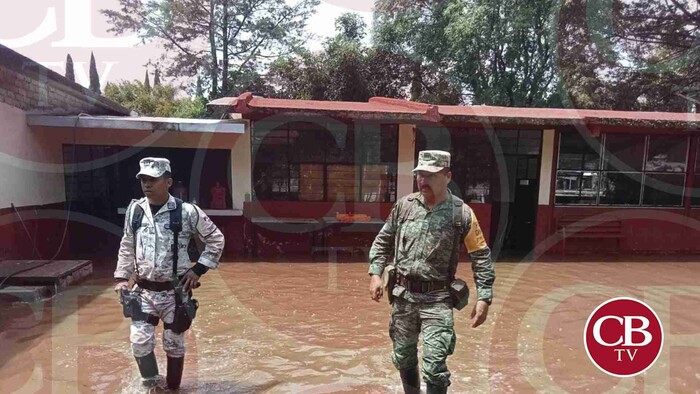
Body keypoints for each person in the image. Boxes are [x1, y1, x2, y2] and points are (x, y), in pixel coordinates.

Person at [368, 150, 495, 394]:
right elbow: (383, 240)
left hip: (438, 300)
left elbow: (480, 257)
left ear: (448, 176)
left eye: (430, 175)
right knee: (403, 356)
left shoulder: (462, 214)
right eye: (420, 174)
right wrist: (376, 273)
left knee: (435, 365)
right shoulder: (404, 207)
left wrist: (484, 297)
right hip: (403, 297)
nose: (422, 180)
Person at [114, 157, 225, 389]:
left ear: (168, 181)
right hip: (143, 291)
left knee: (173, 343)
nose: (147, 184)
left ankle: (173, 389)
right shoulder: (135, 210)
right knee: (139, 342)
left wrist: (199, 269)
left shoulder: (187, 212)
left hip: (175, 293)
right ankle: (152, 386)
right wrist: (122, 279)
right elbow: (127, 245)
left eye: (153, 179)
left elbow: (216, 239)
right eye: (143, 179)